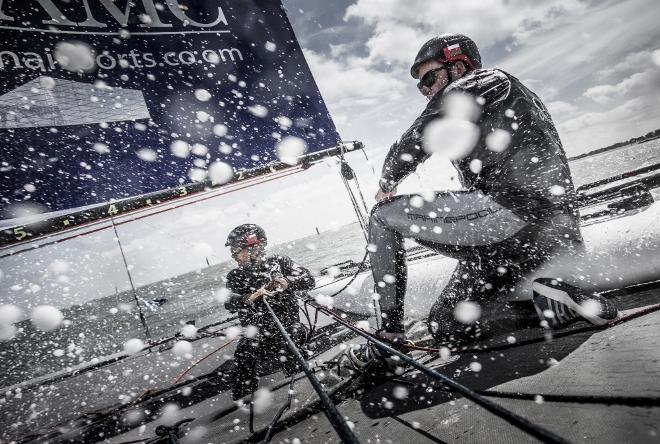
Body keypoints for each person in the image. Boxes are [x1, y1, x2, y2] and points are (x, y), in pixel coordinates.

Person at [348, 33, 617, 369]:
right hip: (525, 243)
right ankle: (560, 304)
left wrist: (388, 180)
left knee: (382, 216)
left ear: (459, 66)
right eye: (420, 86)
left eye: (430, 78)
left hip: (515, 215)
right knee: (447, 325)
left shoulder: (486, 80)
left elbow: (418, 138)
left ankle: (389, 340)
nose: (426, 90)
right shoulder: (492, 105)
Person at [223, 224, 315, 401]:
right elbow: (229, 302)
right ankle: (243, 401)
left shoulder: (280, 262)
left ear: (253, 248)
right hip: (258, 335)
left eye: (236, 250)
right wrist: (248, 297)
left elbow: (308, 279)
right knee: (245, 349)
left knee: (290, 338)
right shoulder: (235, 276)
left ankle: (302, 389)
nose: (233, 255)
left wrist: (286, 282)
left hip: (289, 326)